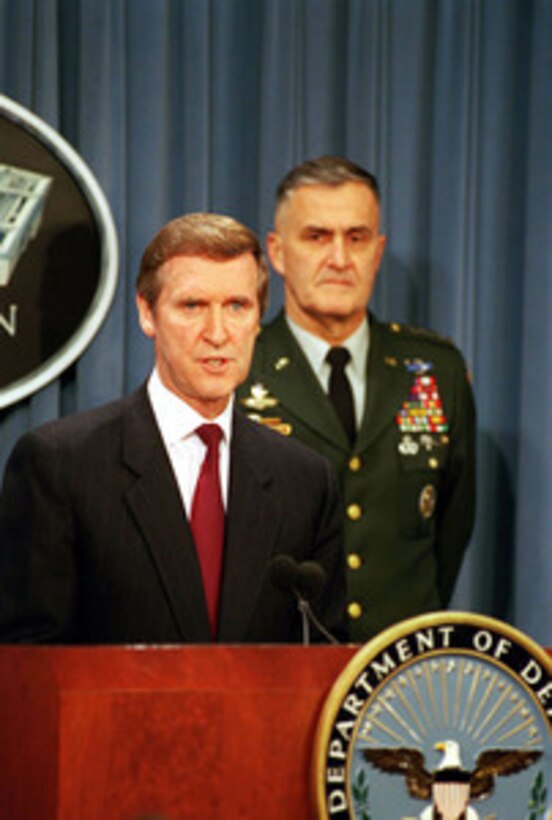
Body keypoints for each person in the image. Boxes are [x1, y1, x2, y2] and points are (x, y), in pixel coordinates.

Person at [0, 212, 347, 644]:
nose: (217, 333)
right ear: (148, 314)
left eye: (236, 306)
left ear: (258, 319)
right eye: (192, 306)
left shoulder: (307, 481)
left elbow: (325, 657)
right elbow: (28, 667)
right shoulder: (61, 465)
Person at [237, 156, 476, 641]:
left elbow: (451, 529)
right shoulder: (238, 370)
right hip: (278, 666)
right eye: (317, 237)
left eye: (357, 237)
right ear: (278, 253)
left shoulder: (435, 369)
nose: (340, 259)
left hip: (399, 670)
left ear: (378, 251)